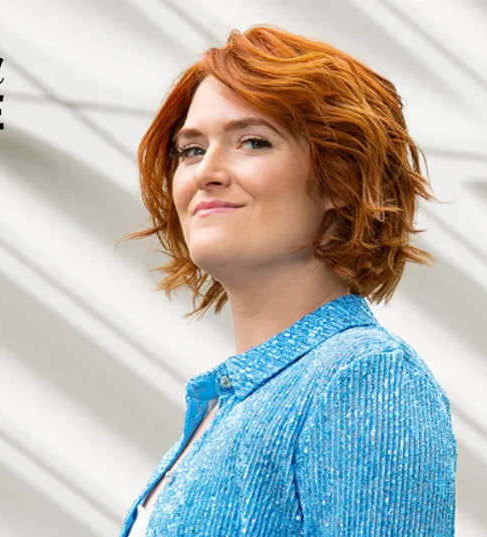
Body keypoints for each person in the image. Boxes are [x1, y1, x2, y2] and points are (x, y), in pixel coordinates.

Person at [119, 25, 456, 536]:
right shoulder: (226, 405)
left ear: (339, 181)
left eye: (253, 142)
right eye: (191, 150)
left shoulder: (363, 377)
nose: (207, 171)